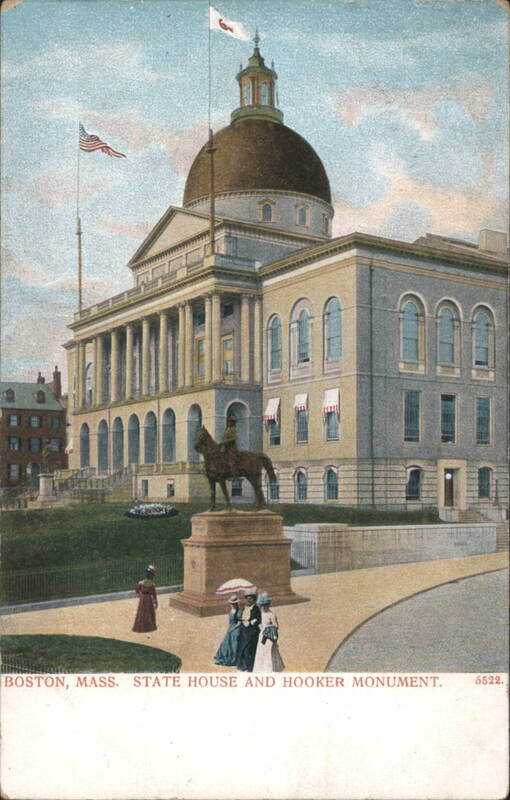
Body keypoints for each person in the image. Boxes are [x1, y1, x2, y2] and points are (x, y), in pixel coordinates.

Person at [253, 593, 285, 672]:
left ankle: (271, 668)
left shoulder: (272, 614)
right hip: (262, 635)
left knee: (270, 650)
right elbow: (260, 623)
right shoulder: (261, 614)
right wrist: (258, 625)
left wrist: (271, 631)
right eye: (262, 605)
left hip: (270, 636)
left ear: (268, 605)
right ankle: (261, 667)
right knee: (262, 650)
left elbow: (276, 625)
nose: (263, 607)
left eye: (265, 605)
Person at [236, 589, 261, 672]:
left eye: (250, 599)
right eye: (247, 598)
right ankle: (243, 665)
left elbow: (258, 619)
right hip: (244, 630)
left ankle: (250, 667)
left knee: (250, 650)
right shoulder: (244, 608)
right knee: (242, 648)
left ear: (254, 599)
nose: (248, 600)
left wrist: (253, 621)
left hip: (252, 632)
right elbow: (241, 617)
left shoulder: (256, 609)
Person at [214, 595, 241, 666]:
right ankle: (223, 656)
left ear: (236, 604)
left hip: (236, 628)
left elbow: (239, 622)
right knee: (226, 642)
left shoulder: (238, 612)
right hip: (230, 627)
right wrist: (229, 628)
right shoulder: (231, 611)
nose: (232, 605)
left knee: (234, 643)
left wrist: (234, 628)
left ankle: (233, 659)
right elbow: (230, 621)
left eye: (234, 604)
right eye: (231, 603)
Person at [132, 565, 158, 633]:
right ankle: (149, 627)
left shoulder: (141, 583)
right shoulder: (152, 584)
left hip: (143, 598)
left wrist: (141, 594)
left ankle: (140, 627)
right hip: (149, 599)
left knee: (142, 612)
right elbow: (154, 594)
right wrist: (155, 602)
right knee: (149, 612)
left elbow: (137, 591)